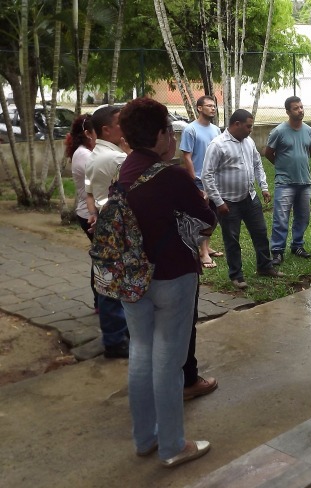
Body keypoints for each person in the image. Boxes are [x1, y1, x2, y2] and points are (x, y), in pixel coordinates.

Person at [118, 98, 216, 467]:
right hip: (172, 276)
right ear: (160, 135)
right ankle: (174, 446)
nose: (173, 139)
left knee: (141, 353)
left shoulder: (124, 172)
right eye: (170, 132)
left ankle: (145, 439)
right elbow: (206, 220)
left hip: (132, 277)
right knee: (169, 361)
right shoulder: (171, 174)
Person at [203, 109, 284, 290]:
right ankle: (236, 276)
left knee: (261, 232)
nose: (251, 130)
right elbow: (206, 175)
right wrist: (218, 202)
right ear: (236, 124)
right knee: (232, 239)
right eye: (248, 126)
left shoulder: (248, 142)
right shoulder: (217, 145)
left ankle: (265, 266)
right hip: (228, 202)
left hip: (250, 197)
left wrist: (263, 187)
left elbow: (257, 164)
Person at [85, 105, 130, 358]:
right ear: (107, 129)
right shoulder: (117, 159)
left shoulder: (93, 155)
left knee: (106, 280)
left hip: (104, 222)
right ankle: (116, 340)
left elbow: (89, 191)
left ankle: (115, 336)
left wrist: (94, 214)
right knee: (114, 283)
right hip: (117, 227)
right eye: (121, 122)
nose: (126, 126)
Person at [264, 96, 311, 265]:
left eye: (301, 107)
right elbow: (268, 153)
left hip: (304, 182)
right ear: (288, 111)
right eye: (296, 108)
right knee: (281, 217)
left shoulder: (309, 131)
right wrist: (281, 167)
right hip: (284, 182)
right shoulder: (279, 131)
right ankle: (277, 251)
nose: (300, 110)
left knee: (303, 216)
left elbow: (310, 151)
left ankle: (297, 245)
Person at [180, 95, 223, 268]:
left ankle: (206, 246)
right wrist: (194, 181)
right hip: (199, 181)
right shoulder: (190, 130)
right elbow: (187, 157)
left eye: (214, 106)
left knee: (213, 215)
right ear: (199, 108)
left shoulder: (216, 130)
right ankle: (203, 253)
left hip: (215, 180)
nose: (213, 109)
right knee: (203, 217)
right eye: (209, 106)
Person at [66, 114, 98, 312]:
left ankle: (100, 301)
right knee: (102, 258)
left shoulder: (83, 152)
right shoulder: (85, 155)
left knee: (100, 257)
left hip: (87, 212)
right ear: (87, 133)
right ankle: (101, 302)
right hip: (89, 214)